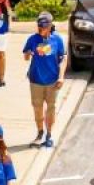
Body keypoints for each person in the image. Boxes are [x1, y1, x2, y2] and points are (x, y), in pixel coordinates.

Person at [22, 12, 66, 149]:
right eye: (39, 26)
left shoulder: (57, 40)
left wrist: (61, 76)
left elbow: (63, 58)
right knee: (37, 108)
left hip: (52, 80)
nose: (41, 29)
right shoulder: (32, 39)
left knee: (51, 107)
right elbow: (26, 56)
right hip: (36, 79)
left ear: (50, 26)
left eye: (44, 27)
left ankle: (49, 134)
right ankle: (40, 132)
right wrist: (28, 54)